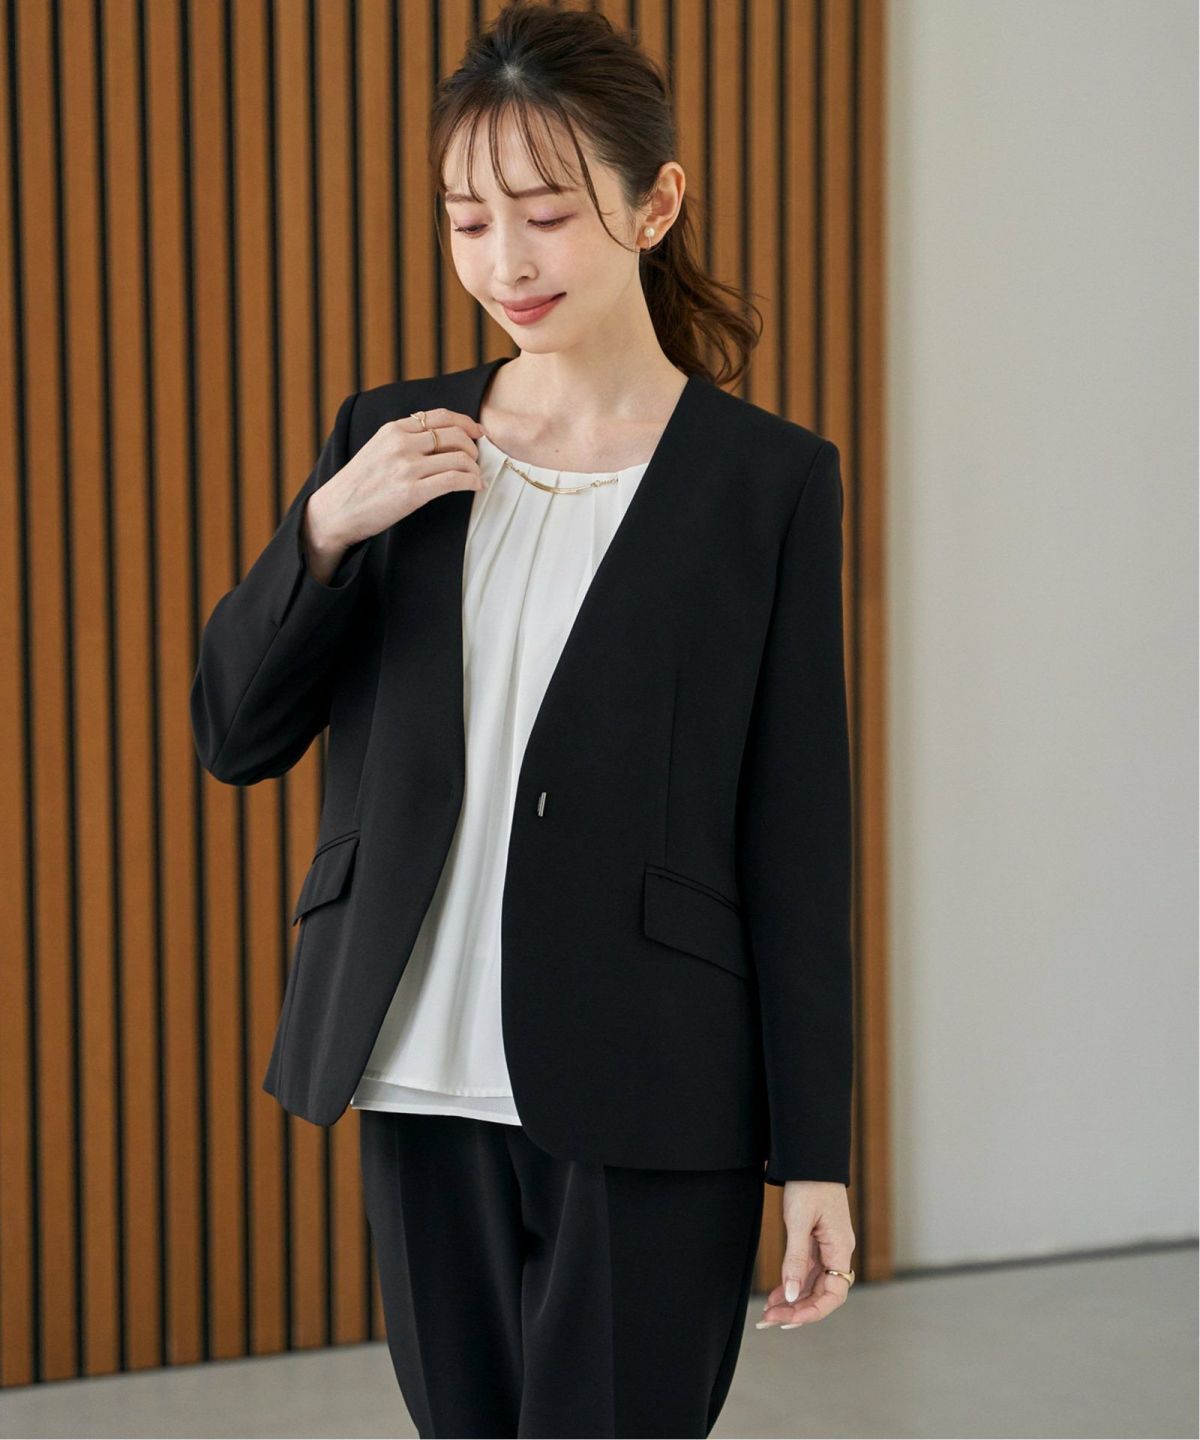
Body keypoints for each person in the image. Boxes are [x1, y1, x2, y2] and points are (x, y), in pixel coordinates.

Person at [191, 3, 855, 1435]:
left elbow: (798, 838)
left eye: (546, 215)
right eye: (468, 220)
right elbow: (234, 733)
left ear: (654, 205)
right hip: (413, 1066)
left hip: (655, 1080)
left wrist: (816, 1156)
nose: (506, 262)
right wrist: (324, 529)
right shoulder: (394, 444)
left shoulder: (767, 485)